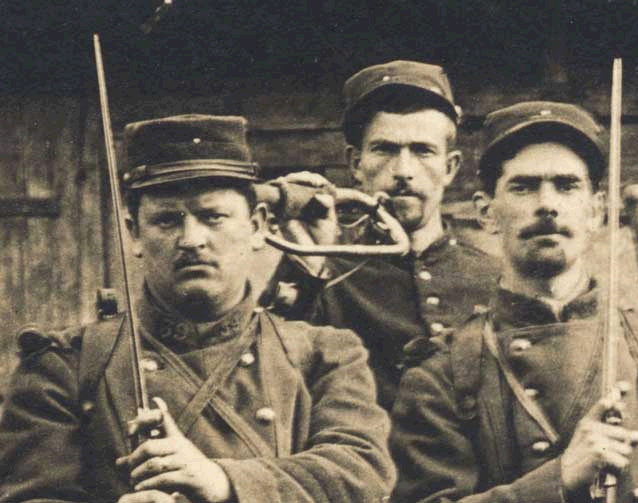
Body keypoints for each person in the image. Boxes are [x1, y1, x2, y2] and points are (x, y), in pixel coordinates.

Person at [0, 114, 395, 503]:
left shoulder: (324, 355)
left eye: (213, 217)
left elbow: (360, 471)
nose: (191, 239)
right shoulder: (66, 366)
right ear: (134, 233)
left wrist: (222, 480)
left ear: (257, 226)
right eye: (167, 220)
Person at [390, 101, 638, 503]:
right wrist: (558, 479)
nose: (547, 204)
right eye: (523, 187)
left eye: (567, 185)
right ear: (486, 212)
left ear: (596, 210)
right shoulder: (444, 374)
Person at [266, 60, 501, 410]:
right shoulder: (324, 278)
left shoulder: (496, 279)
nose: (403, 170)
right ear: (356, 164)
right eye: (385, 149)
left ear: (450, 167)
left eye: (422, 151)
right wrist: (310, 270)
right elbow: (276, 377)